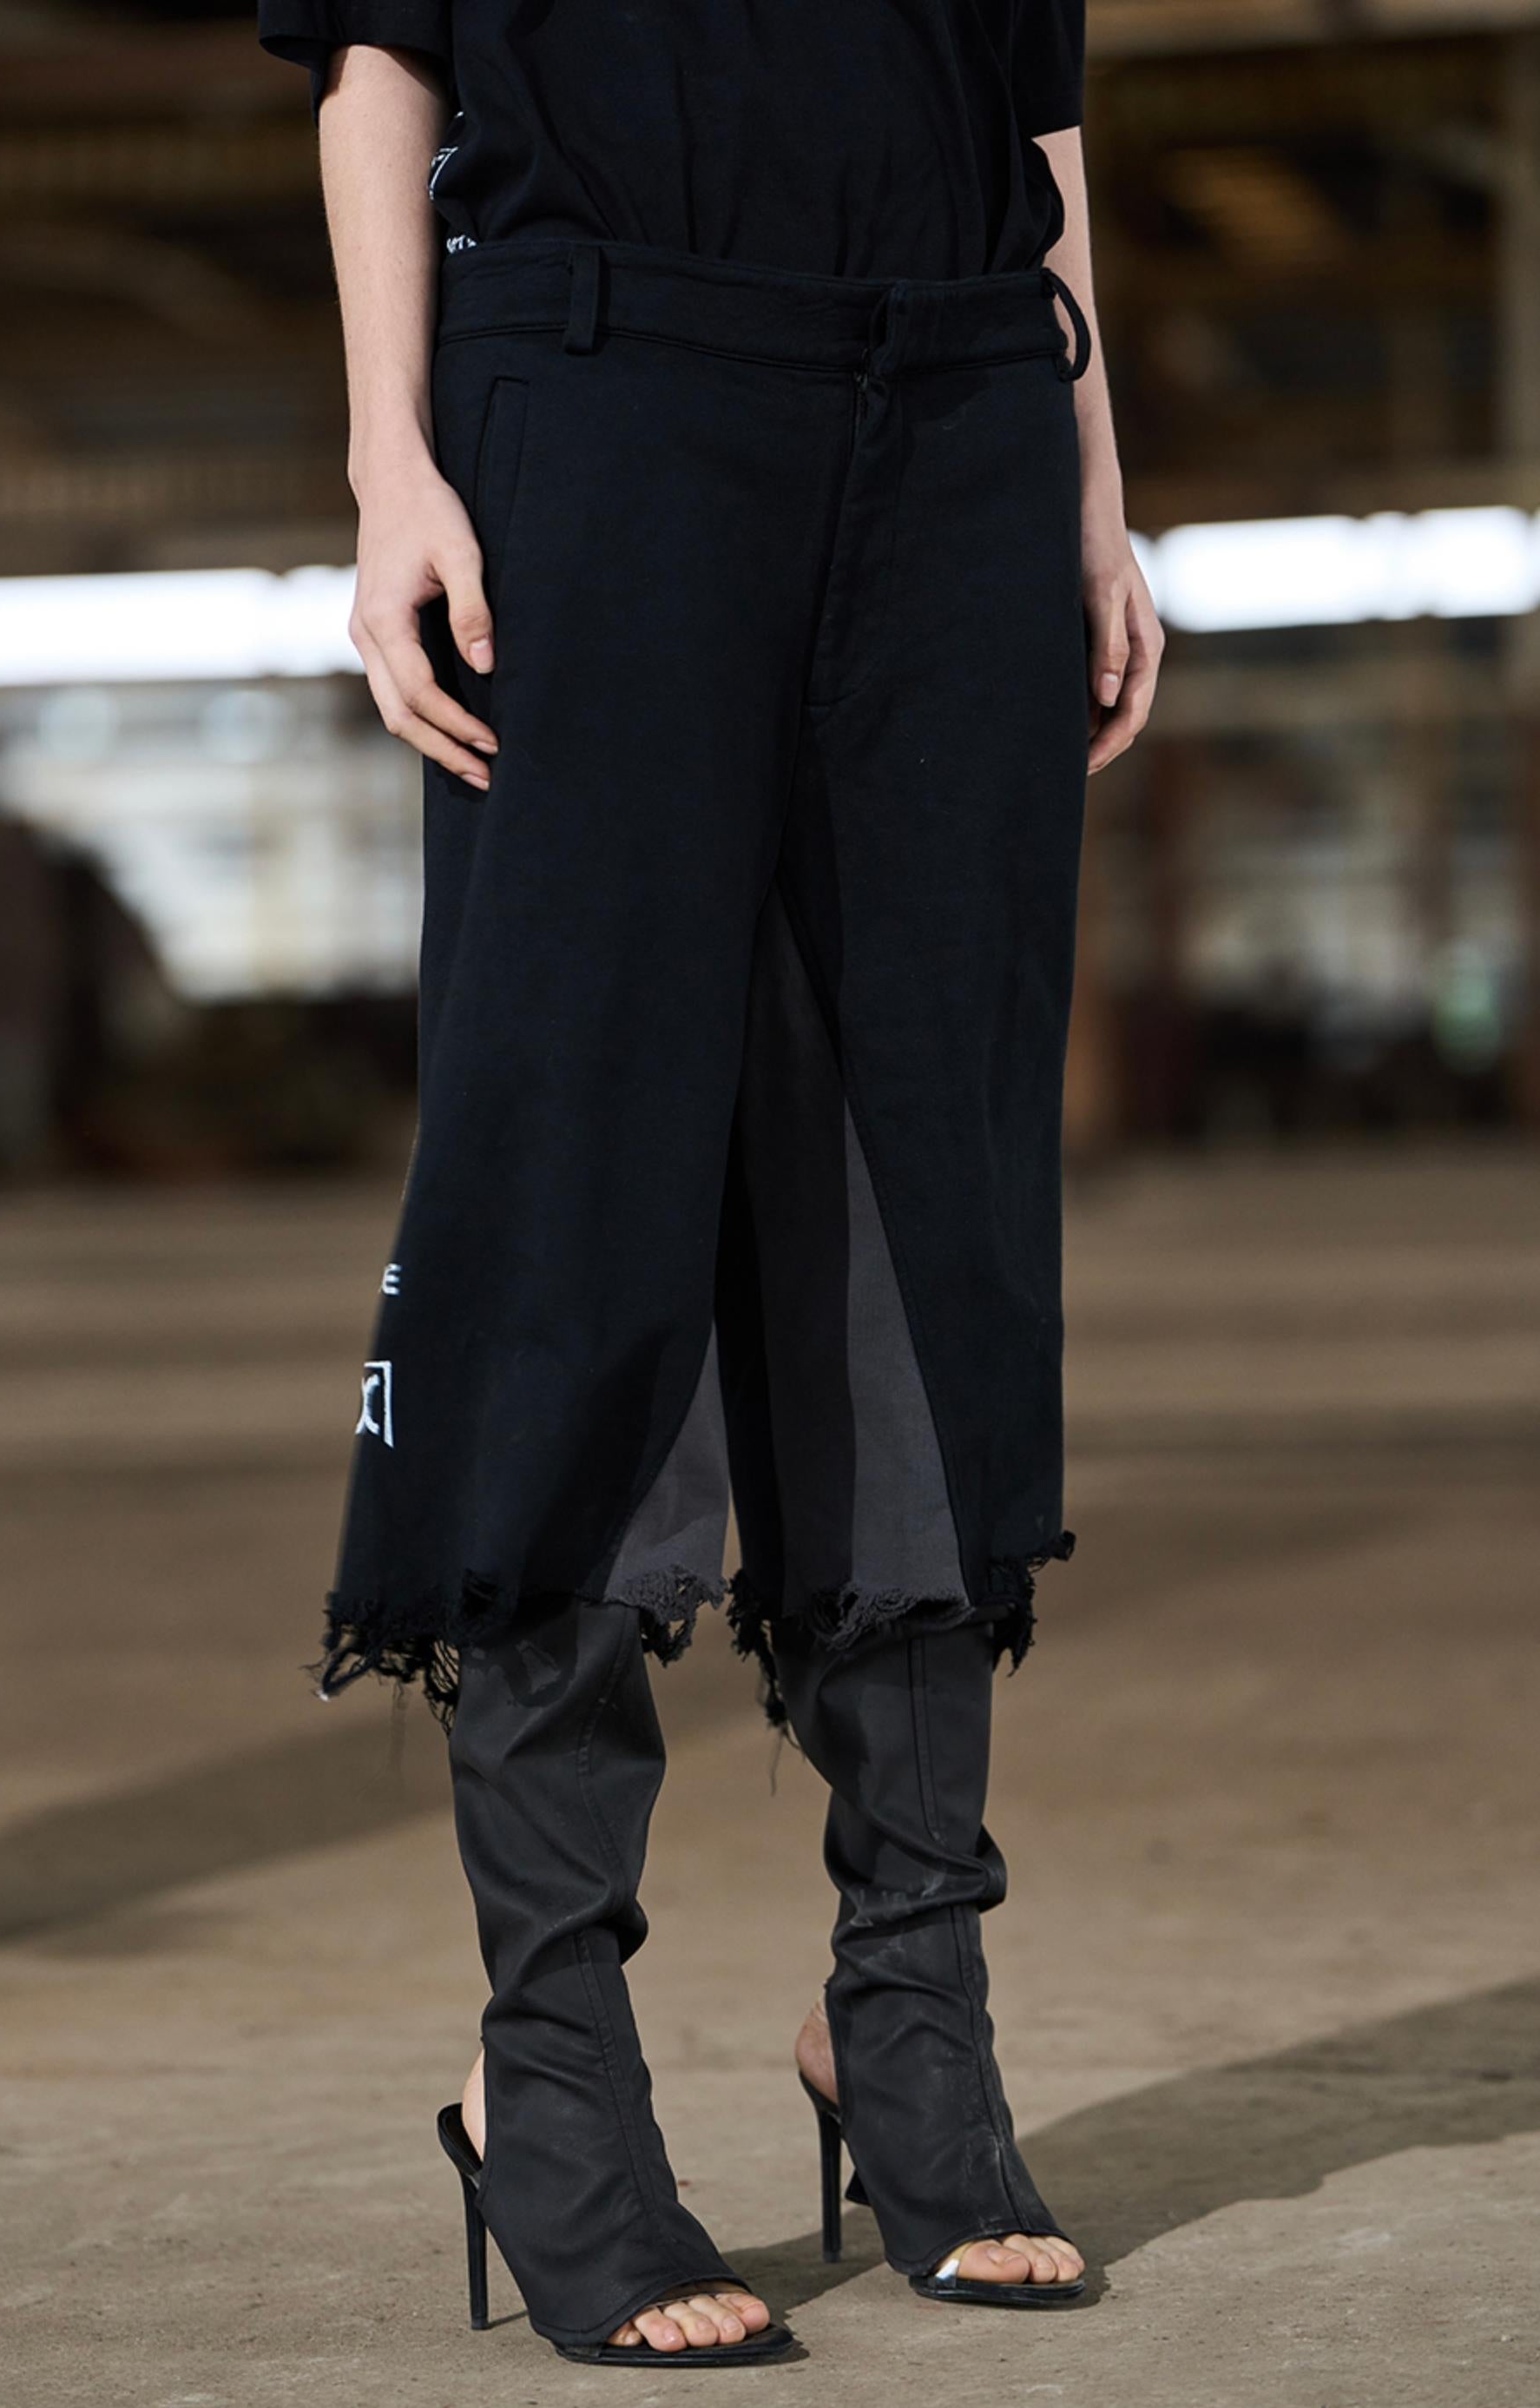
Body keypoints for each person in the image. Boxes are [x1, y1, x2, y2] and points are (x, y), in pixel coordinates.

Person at [257, 0, 1162, 2366]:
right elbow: (380, 54)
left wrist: (1092, 482)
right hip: (601, 395)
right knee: (579, 1194)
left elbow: (1035, 99)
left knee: (931, 1203)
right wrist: (386, 460)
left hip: (964, 404)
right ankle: (549, 2055)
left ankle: (911, 2011)